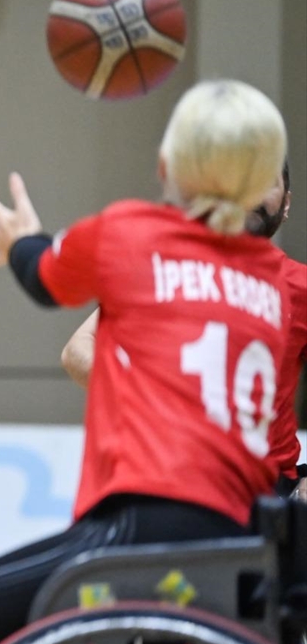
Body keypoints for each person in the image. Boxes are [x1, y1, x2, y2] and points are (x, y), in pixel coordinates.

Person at [0, 78, 289, 644]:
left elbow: (44, 276)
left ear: (167, 165)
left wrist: (20, 240)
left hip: (140, 527)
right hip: (242, 542)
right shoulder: (273, 288)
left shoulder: (134, 235)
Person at [62, 158, 307, 501]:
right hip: (173, 480)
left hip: (266, 494)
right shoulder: (167, 268)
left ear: (286, 205)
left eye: (264, 181)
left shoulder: (300, 285)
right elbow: (77, 351)